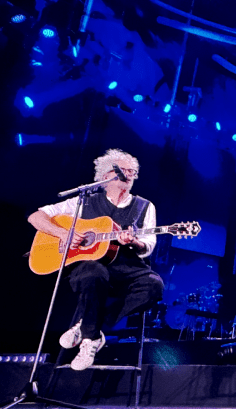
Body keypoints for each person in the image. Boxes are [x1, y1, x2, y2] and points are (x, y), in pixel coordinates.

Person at [28, 149, 164, 371]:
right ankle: (91, 338)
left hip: (126, 268)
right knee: (93, 272)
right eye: (123, 170)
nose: (129, 175)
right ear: (105, 175)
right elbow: (36, 216)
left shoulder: (144, 206)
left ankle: (88, 327)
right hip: (90, 267)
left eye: (133, 172)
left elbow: (148, 244)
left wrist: (133, 242)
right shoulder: (85, 201)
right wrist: (64, 233)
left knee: (154, 286)